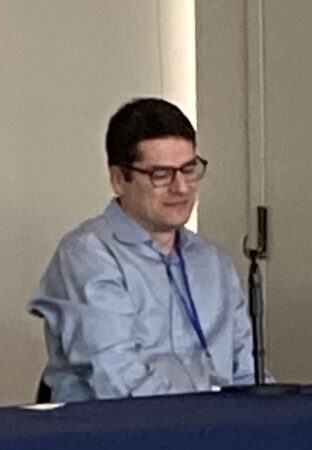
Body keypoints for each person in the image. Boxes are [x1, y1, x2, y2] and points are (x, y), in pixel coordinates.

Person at [30, 97, 254, 400]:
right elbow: (118, 382)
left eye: (188, 170)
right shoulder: (88, 255)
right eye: (161, 174)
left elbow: (248, 375)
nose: (181, 188)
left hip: (217, 424)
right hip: (125, 426)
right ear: (119, 180)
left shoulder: (213, 262)